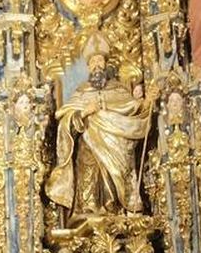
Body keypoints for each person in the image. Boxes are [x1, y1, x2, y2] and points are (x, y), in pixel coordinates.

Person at [44, 53, 151, 225]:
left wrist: (144, 102)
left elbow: (133, 112)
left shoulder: (118, 90)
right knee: (89, 172)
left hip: (114, 145)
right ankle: (88, 208)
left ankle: (113, 207)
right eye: (93, 61)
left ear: (106, 65)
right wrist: (85, 112)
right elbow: (65, 118)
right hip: (88, 144)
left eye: (100, 61)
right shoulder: (81, 91)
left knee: (111, 175)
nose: (97, 65)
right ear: (88, 67)